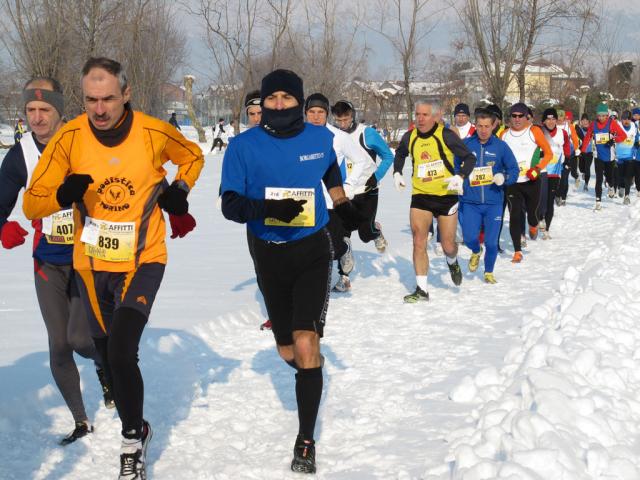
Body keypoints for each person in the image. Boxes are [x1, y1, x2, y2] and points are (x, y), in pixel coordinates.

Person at [23, 57, 204, 479]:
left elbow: (193, 156)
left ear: (126, 94)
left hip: (143, 258)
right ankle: (139, 425)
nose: (99, 109)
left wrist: (178, 190)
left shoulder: (153, 132)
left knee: (123, 349)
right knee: (107, 355)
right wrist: (62, 193)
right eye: (90, 100)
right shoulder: (68, 138)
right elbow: (33, 201)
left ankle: (130, 441)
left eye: (108, 99)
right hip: (90, 265)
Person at [220, 69, 362, 474]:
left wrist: (344, 204)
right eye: (272, 98)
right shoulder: (243, 147)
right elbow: (231, 205)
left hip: (313, 250)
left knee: (305, 342)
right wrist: (268, 209)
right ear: (261, 103)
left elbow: (329, 170)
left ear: (299, 102)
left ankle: (305, 439)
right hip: (269, 254)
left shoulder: (320, 138)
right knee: (287, 349)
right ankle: (309, 372)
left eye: (287, 97)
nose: (279, 104)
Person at [0, 76, 113, 445]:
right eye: (30, 110)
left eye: (44, 109)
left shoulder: (86, 142)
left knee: (81, 338)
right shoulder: (20, 155)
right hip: (47, 260)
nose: (37, 118)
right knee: (59, 345)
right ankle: (81, 420)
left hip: (88, 256)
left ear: (59, 110)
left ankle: (106, 365)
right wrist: (2, 227)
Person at [393, 101, 476, 302]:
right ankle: (422, 290)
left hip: (446, 196)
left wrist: (461, 176)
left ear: (435, 116)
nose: (420, 119)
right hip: (421, 195)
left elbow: (469, 158)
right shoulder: (409, 136)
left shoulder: (446, 135)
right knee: (418, 240)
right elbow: (401, 153)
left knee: (448, 244)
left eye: (425, 115)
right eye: (417, 114)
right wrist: (397, 172)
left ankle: (452, 261)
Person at [305, 92, 369, 292]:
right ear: (305, 114)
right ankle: (312, 287)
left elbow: (362, 161)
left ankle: (344, 248)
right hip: (305, 200)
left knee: (331, 248)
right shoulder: (297, 135)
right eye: (311, 112)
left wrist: (349, 185)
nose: (316, 116)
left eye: (320, 112)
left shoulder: (339, 137)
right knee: (307, 247)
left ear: (327, 114)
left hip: (330, 200)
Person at [458, 109, 519, 283]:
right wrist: (458, 180)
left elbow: (514, 170)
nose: (483, 130)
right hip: (470, 201)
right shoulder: (466, 145)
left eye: (487, 126)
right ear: (475, 125)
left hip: (493, 202)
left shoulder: (501, 146)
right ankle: (476, 251)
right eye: (480, 126)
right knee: (469, 238)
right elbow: (455, 165)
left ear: (493, 126)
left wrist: (504, 178)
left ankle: (489, 272)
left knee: (492, 242)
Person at [331, 99, 394, 258]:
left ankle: (376, 232)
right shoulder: (333, 136)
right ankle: (344, 273)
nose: (342, 124)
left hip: (367, 189)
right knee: (341, 232)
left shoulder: (367, 133)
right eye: (338, 120)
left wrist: (376, 176)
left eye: (345, 119)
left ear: (352, 115)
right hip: (344, 192)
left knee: (365, 234)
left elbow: (387, 156)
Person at [500, 102, 553, 263]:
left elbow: (549, 154)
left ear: (526, 117)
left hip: (531, 180)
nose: (516, 119)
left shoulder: (534, 131)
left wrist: (537, 168)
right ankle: (517, 251)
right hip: (513, 182)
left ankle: (533, 224)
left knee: (533, 213)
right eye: (513, 116)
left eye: (520, 116)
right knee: (515, 215)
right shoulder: (504, 134)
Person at [577, 103, 627, 210]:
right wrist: (582, 150)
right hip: (598, 155)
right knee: (599, 179)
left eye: (603, 115)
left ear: (607, 115)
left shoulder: (612, 123)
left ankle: (611, 187)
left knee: (609, 177)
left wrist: (613, 140)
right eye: (599, 115)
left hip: (610, 156)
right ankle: (598, 201)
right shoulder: (593, 124)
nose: (601, 118)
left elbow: (623, 136)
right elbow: (587, 138)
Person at [539, 108, 570, 239]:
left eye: (553, 119)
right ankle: (540, 218)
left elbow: (567, 147)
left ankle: (547, 229)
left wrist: (567, 159)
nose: (551, 122)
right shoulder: (538, 132)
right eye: (548, 119)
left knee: (550, 199)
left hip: (555, 172)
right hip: (540, 171)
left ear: (557, 120)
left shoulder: (562, 133)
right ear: (544, 121)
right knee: (540, 199)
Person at [613, 110, 637, 204]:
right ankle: (621, 186)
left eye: (628, 119)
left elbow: (637, 137)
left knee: (628, 176)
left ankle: (627, 196)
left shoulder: (634, 127)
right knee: (620, 176)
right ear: (621, 119)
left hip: (630, 156)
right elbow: (612, 136)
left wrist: (637, 143)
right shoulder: (618, 126)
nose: (626, 121)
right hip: (619, 157)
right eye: (624, 119)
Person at [556, 110, 580, 204]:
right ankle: (557, 195)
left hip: (568, 155)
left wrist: (576, 148)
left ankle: (564, 197)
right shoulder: (552, 126)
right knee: (556, 178)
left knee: (564, 177)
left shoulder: (569, 127)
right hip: (556, 156)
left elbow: (574, 138)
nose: (559, 119)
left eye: (561, 116)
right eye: (557, 116)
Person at [576, 113, 594, 191]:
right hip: (581, 152)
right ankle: (583, 173)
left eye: (586, 120)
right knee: (581, 168)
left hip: (590, 152)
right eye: (583, 120)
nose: (585, 122)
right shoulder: (579, 130)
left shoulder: (592, 130)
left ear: (589, 121)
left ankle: (586, 184)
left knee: (587, 168)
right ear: (581, 122)